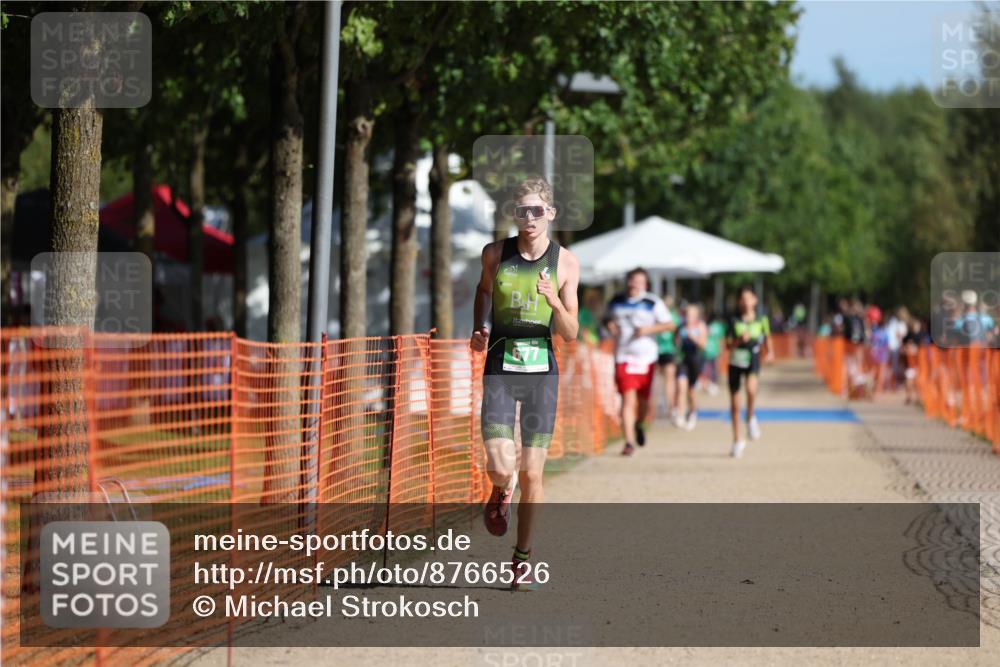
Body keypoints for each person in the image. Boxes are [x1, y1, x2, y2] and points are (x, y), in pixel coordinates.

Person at [470, 175, 580, 591]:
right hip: (500, 365)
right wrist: (479, 327)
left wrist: (553, 302)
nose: (529, 218)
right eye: (521, 212)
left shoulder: (566, 262)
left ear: (550, 213)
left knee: (534, 472)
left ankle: (522, 559)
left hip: (541, 373)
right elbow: (483, 292)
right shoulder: (495, 254)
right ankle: (502, 487)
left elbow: (570, 333)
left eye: (537, 211)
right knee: (500, 466)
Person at [605, 268, 675, 456]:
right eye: (632, 280)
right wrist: (609, 325)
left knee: (644, 402)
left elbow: (669, 324)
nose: (634, 284)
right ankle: (628, 442)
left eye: (639, 281)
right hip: (623, 357)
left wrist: (648, 330)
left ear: (645, 284)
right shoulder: (616, 301)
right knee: (628, 398)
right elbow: (605, 320)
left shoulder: (652, 302)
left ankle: (639, 423)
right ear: (627, 281)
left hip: (647, 359)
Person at [726, 285, 773, 458]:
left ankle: (751, 417)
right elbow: (728, 345)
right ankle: (737, 440)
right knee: (735, 405)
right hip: (736, 361)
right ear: (739, 301)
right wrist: (738, 340)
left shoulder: (761, 319)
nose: (746, 302)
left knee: (751, 390)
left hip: (752, 357)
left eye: (749, 298)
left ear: (755, 300)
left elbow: (767, 338)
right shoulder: (733, 320)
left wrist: (769, 353)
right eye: (742, 299)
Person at [674, 304, 708, 430]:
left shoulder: (700, 326)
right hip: (683, 360)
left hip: (695, 360)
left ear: (696, 316)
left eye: (691, 315)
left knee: (691, 390)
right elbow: (675, 340)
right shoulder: (681, 326)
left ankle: (693, 413)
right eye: (686, 314)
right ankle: (680, 414)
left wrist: (692, 337)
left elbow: (703, 345)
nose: (688, 317)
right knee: (681, 386)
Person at [655, 294, 681, 422]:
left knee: (668, 379)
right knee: (661, 380)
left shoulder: (673, 316)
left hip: (668, 352)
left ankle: (671, 408)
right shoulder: (656, 316)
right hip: (656, 351)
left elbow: (677, 335)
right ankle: (661, 407)